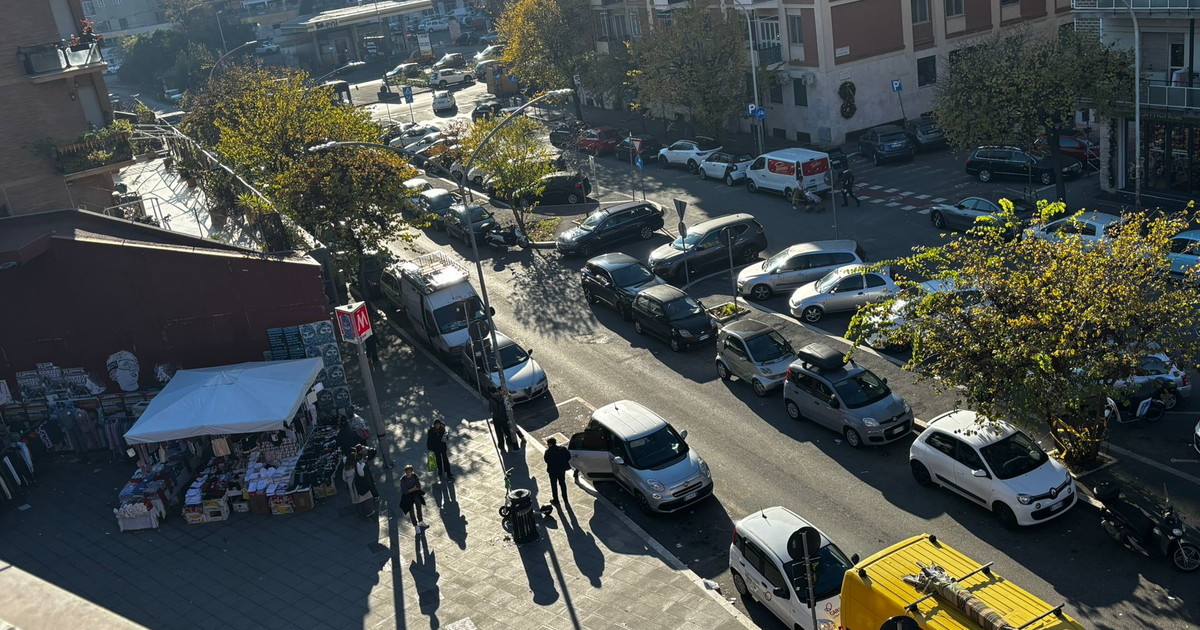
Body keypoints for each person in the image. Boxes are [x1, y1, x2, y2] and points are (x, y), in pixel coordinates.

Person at [399, 464, 428, 535]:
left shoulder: (415, 476)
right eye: (406, 472)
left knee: (419, 508)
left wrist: (411, 489)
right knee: (411, 512)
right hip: (408, 497)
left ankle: (420, 521)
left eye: (409, 472)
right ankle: (415, 526)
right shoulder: (403, 479)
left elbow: (418, 486)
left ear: (412, 472)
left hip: (415, 495)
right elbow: (405, 491)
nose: (408, 474)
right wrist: (413, 489)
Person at [352, 444, 379, 518]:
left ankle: (374, 496)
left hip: (363, 474)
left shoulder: (355, 458)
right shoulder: (361, 456)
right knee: (370, 483)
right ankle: (375, 495)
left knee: (369, 484)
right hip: (365, 472)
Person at [543, 437, 572, 505]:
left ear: (550, 444)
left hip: (552, 471)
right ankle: (565, 498)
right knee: (562, 484)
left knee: (554, 485)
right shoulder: (562, 449)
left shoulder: (548, 452)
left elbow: (546, 460)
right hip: (561, 470)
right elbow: (568, 456)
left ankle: (556, 499)